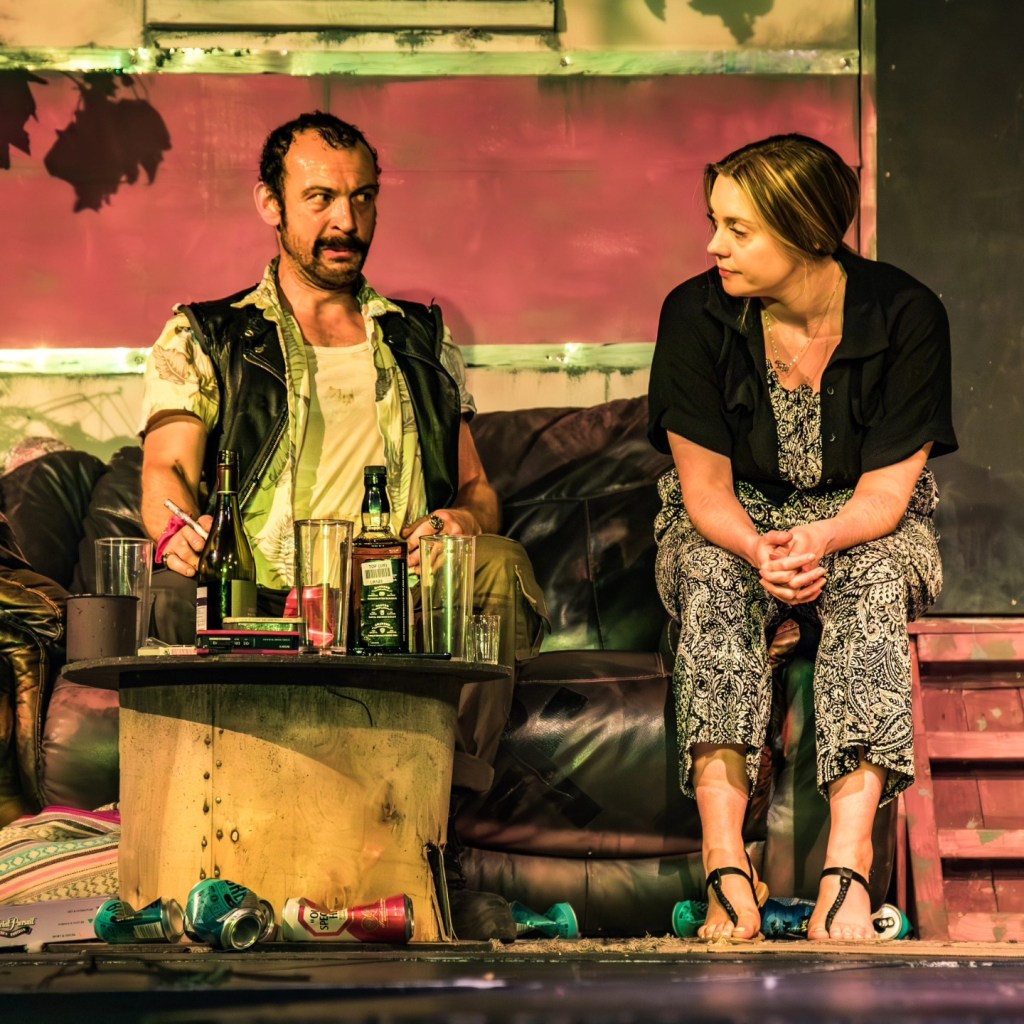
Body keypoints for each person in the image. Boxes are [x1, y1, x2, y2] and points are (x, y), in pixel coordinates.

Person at [137, 111, 549, 941]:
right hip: (265, 595)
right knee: (166, 598)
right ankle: (207, 864)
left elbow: (478, 488)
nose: (346, 221)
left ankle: (436, 843)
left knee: (499, 565)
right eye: (320, 198)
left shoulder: (419, 338)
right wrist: (180, 532)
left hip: (395, 591)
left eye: (362, 198)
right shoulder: (209, 333)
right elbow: (166, 470)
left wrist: (459, 520)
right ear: (270, 204)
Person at [647, 134, 957, 942]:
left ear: (807, 232)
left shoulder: (906, 315)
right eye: (714, 223)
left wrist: (822, 536)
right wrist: (760, 548)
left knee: (873, 579)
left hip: (864, 517)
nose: (714, 246)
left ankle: (847, 871)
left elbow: (885, 494)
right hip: (732, 520)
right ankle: (724, 866)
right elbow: (706, 491)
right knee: (711, 577)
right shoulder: (694, 314)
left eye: (738, 229)